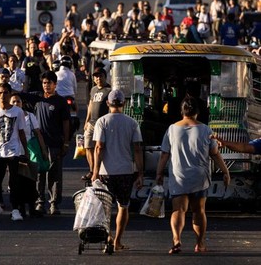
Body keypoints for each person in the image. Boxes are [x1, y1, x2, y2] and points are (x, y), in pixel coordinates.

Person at [156, 96, 230, 254]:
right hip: (199, 177)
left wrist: (159, 173)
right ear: (197, 111)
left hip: (178, 176)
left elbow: (164, 155)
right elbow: (215, 154)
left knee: (178, 210)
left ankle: (176, 240)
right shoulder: (206, 130)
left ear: (182, 111)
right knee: (199, 211)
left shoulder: (171, 129)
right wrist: (225, 171)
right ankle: (200, 244)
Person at [91, 89, 144, 252]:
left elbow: (99, 147)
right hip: (125, 172)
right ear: (124, 104)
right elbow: (137, 149)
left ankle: (108, 238)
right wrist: (140, 173)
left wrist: (94, 171)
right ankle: (118, 241)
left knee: (105, 209)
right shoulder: (132, 123)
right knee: (123, 206)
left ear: (108, 103)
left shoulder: (102, 122)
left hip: (106, 172)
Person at [26, 71, 70, 216]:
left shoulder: (61, 101)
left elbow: (66, 123)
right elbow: (19, 95)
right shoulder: (37, 97)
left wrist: (66, 142)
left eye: (49, 83)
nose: (46, 86)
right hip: (38, 145)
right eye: (44, 83)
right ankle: (39, 202)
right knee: (39, 174)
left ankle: (54, 204)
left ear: (55, 84)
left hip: (55, 144)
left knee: (54, 175)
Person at [0, 83, 28, 221]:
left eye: (5, 93)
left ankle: (15, 209)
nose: (3, 96)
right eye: (0, 93)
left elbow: (21, 132)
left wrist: (25, 150)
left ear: (10, 94)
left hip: (13, 151)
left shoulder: (18, 112)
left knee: (14, 182)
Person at [82, 67, 111, 181]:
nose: (98, 78)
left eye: (100, 76)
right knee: (88, 146)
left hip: (102, 123)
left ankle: (100, 171)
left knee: (99, 147)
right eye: (96, 76)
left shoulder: (109, 90)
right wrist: (86, 121)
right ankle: (92, 169)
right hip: (91, 122)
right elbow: (90, 105)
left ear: (105, 77)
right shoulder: (93, 89)